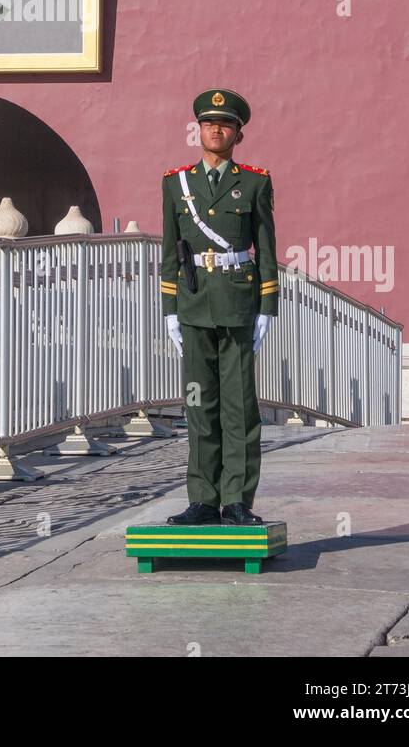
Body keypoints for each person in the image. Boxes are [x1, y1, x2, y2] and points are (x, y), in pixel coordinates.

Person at [159, 88, 278, 526]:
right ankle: (203, 500)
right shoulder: (176, 183)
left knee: (239, 408)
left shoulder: (255, 181)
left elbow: (266, 248)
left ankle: (238, 501)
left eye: (225, 124)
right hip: (192, 305)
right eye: (209, 123)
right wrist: (169, 308)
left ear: (237, 134)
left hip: (237, 302)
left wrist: (268, 306)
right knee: (198, 405)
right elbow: (172, 252)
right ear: (198, 130)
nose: (216, 129)